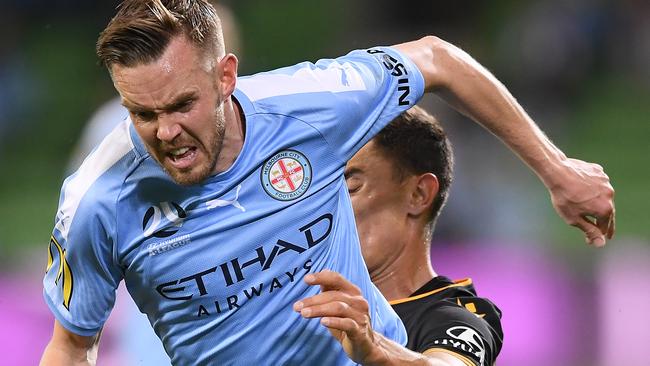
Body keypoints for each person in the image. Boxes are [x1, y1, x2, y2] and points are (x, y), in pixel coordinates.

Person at [40, 1, 615, 365]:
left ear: (225, 77)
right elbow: (72, 343)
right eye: (141, 113)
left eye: (182, 104)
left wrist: (556, 169)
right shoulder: (98, 198)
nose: (166, 132)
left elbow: (437, 60)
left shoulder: (311, 106)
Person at [295, 106, 502, 365]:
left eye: (350, 186)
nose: (329, 209)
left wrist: (375, 349)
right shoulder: (302, 307)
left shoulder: (456, 316)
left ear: (419, 194)